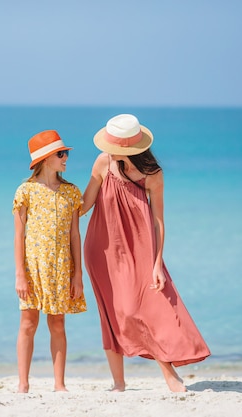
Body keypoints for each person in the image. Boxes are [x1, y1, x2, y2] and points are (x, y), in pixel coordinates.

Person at [80, 114, 210, 392]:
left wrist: (157, 263)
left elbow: (158, 221)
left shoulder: (153, 174)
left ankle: (168, 371)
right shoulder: (104, 162)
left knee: (142, 310)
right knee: (112, 311)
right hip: (101, 250)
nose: (109, 148)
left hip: (141, 250)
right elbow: (85, 204)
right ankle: (118, 382)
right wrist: (54, 200)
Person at [13, 130, 87, 393]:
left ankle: (59, 384)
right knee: (28, 323)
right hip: (33, 268)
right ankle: (23, 384)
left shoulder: (71, 192)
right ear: (46, 159)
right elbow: (19, 235)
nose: (66, 157)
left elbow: (75, 235)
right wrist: (20, 274)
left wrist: (78, 274)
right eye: (61, 154)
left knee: (57, 323)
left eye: (65, 153)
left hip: (60, 267)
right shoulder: (26, 191)